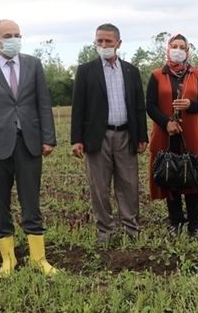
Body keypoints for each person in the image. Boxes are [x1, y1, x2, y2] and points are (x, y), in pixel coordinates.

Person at [0, 19, 57, 276]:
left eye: (17, 34)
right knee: (0, 203)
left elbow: (43, 102)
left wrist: (48, 138)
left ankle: (38, 259)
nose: (13, 39)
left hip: (28, 143)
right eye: (8, 35)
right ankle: (8, 260)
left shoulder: (33, 64)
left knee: (31, 200)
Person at [71, 23, 148, 245]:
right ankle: (105, 230)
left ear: (118, 44)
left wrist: (141, 136)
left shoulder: (131, 71)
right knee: (99, 186)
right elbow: (78, 107)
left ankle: (131, 228)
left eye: (108, 41)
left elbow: (138, 107)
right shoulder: (86, 71)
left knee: (129, 184)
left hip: (125, 135)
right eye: (99, 41)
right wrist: (76, 139)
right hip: (97, 137)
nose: (103, 45)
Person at [146, 34, 198, 237]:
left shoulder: (197, 75)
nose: (178, 50)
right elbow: (150, 105)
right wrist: (167, 123)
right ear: (168, 48)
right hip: (166, 133)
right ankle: (175, 221)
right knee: (169, 173)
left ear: (188, 51)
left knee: (191, 174)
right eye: (175, 46)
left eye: (183, 47)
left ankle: (194, 222)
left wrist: (191, 105)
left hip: (190, 133)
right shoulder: (157, 75)